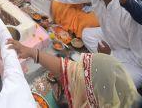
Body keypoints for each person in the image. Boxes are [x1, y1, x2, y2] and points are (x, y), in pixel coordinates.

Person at [27, 0, 142, 87]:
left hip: (134, 60)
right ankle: (103, 61)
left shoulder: (128, 10)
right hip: (112, 41)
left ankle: (104, 63)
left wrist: (110, 55)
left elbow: (138, 57)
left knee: (115, 82)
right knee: (87, 34)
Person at [8, 41, 140, 107]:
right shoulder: (117, 92)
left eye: (82, 81)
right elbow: (67, 68)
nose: (76, 78)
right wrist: (31, 52)